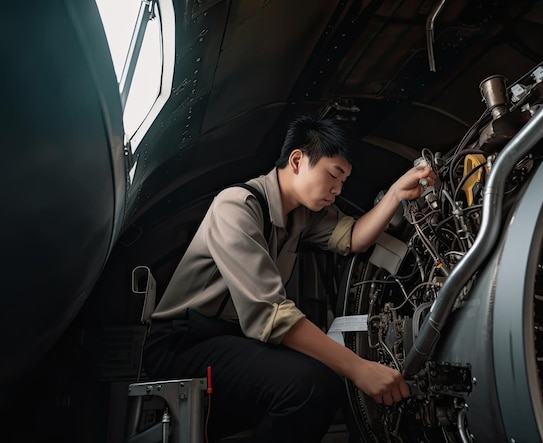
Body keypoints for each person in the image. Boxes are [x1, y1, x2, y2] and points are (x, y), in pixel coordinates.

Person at [143, 115, 435, 442]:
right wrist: (359, 368)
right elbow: (270, 313)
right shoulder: (237, 205)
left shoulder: (302, 215)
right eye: (333, 175)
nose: (338, 190)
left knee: (318, 384)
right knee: (310, 386)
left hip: (231, 339)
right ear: (297, 161)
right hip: (183, 341)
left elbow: (353, 237)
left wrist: (396, 192)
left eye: (344, 180)